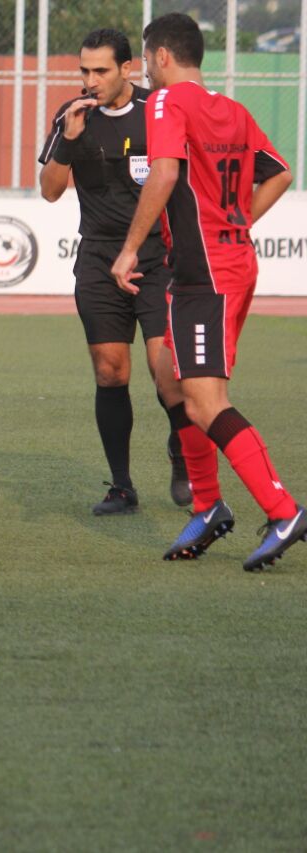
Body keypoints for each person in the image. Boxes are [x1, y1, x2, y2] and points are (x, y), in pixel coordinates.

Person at [111, 13, 302, 571]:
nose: (146, 69)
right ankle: (208, 505)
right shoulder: (233, 110)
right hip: (222, 265)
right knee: (170, 377)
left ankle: (283, 510)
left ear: (161, 56)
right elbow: (280, 172)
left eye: (147, 59)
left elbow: (165, 173)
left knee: (204, 400)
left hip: (207, 274)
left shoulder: (166, 103)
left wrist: (129, 249)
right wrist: (237, 223)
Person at [38, 27, 189, 515]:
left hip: (158, 257)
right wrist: (68, 141)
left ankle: (182, 450)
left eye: (100, 70)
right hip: (99, 259)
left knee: (167, 374)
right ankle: (122, 486)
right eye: (84, 70)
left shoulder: (158, 110)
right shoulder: (72, 115)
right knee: (109, 371)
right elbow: (49, 190)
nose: (91, 80)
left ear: (127, 68)